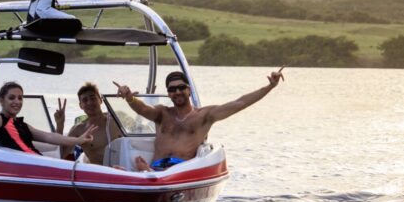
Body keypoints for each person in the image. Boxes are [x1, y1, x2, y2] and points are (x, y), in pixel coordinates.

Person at [113, 68, 285, 171]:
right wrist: (129, 97)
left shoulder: (204, 116)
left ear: (189, 90)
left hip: (180, 173)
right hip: (155, 171)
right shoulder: (162, 113)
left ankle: (145, 172)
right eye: (173, 89)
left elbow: (239, 103)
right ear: (168, 93)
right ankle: (144, 173)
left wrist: (270, 86)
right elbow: (143, 109)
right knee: (117, 172)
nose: (177, 92)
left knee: (142, 172)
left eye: (181, 87)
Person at [0, 70, 97, 155]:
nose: (17, 101)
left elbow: (50, 137)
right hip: (27, 169)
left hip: (38, 164)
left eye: (20, 98)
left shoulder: (23, 125)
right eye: (11, 98)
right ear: (1, 101)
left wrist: (78, 140)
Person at [53, 82, 123, 164]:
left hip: (123, 170)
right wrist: (60, 125)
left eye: (93, 98)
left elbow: (137, 131)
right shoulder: (78, 130)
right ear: (81, 105)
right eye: (85, 100)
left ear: (100, 100)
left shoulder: (117, 119)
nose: (89, 103)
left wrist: (128, 98)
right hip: (99, 172)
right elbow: (60, 155)